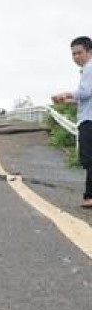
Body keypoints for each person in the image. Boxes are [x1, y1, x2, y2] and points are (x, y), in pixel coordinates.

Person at [52, 36, 92, 208]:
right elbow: (86, 97)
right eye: (73, 54)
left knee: (88, 159)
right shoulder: (86, 70)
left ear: (89, 52)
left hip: (89, 121)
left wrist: (66, 94)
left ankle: (89, 196)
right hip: (88, 116)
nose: (76, 57)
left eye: (79, 53)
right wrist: (67, 101)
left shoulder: (90, 68)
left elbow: (85, 92)